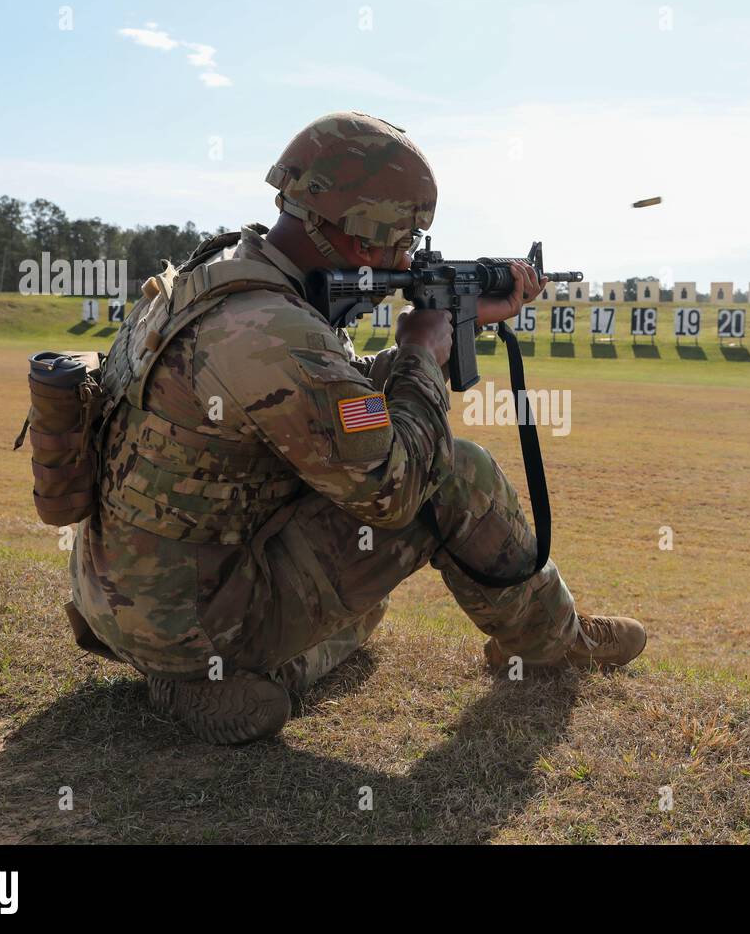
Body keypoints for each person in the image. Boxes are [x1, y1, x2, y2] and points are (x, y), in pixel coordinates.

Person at [68, 111, 646, 744]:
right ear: (363, 233)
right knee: (459, 471)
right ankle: (552, 644)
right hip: (200, 613)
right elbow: (394, 487)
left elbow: (323, 402)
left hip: (119, 593)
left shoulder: (212, 279)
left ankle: (200, 667)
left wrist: (457, 324)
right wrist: (422, 352)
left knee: (362, 618)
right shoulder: (275, 330)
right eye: (403, 242)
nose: (405, 259)